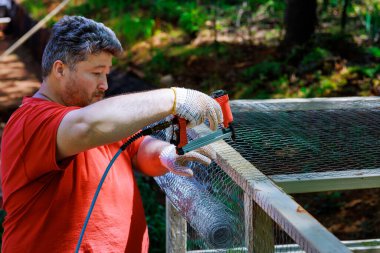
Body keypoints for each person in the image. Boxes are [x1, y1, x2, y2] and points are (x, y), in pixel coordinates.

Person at [0, 16, 223, 252]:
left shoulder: (96, 114)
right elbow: (86, 128)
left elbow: (137, 149)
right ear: (60, 69)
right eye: (96, 73)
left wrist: (166, 155)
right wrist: (176, 98)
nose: (105, 84)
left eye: (106, 73)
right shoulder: (30, 121)